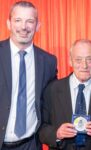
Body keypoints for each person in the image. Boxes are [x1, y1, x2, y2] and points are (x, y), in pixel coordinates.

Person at [39, 39, 91, 150]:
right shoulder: (51, 90)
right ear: (70, 61)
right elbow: (41, 128)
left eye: (89, 59)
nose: (84, 66)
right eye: (78, 60)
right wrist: (57, 134)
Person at [0, 1, 57, 150]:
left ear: (38, 26)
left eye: (30, 21)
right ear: (8, 24)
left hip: (30, 144)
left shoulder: (48, 62)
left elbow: (52, 103)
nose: (23, 27)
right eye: (18, 20)